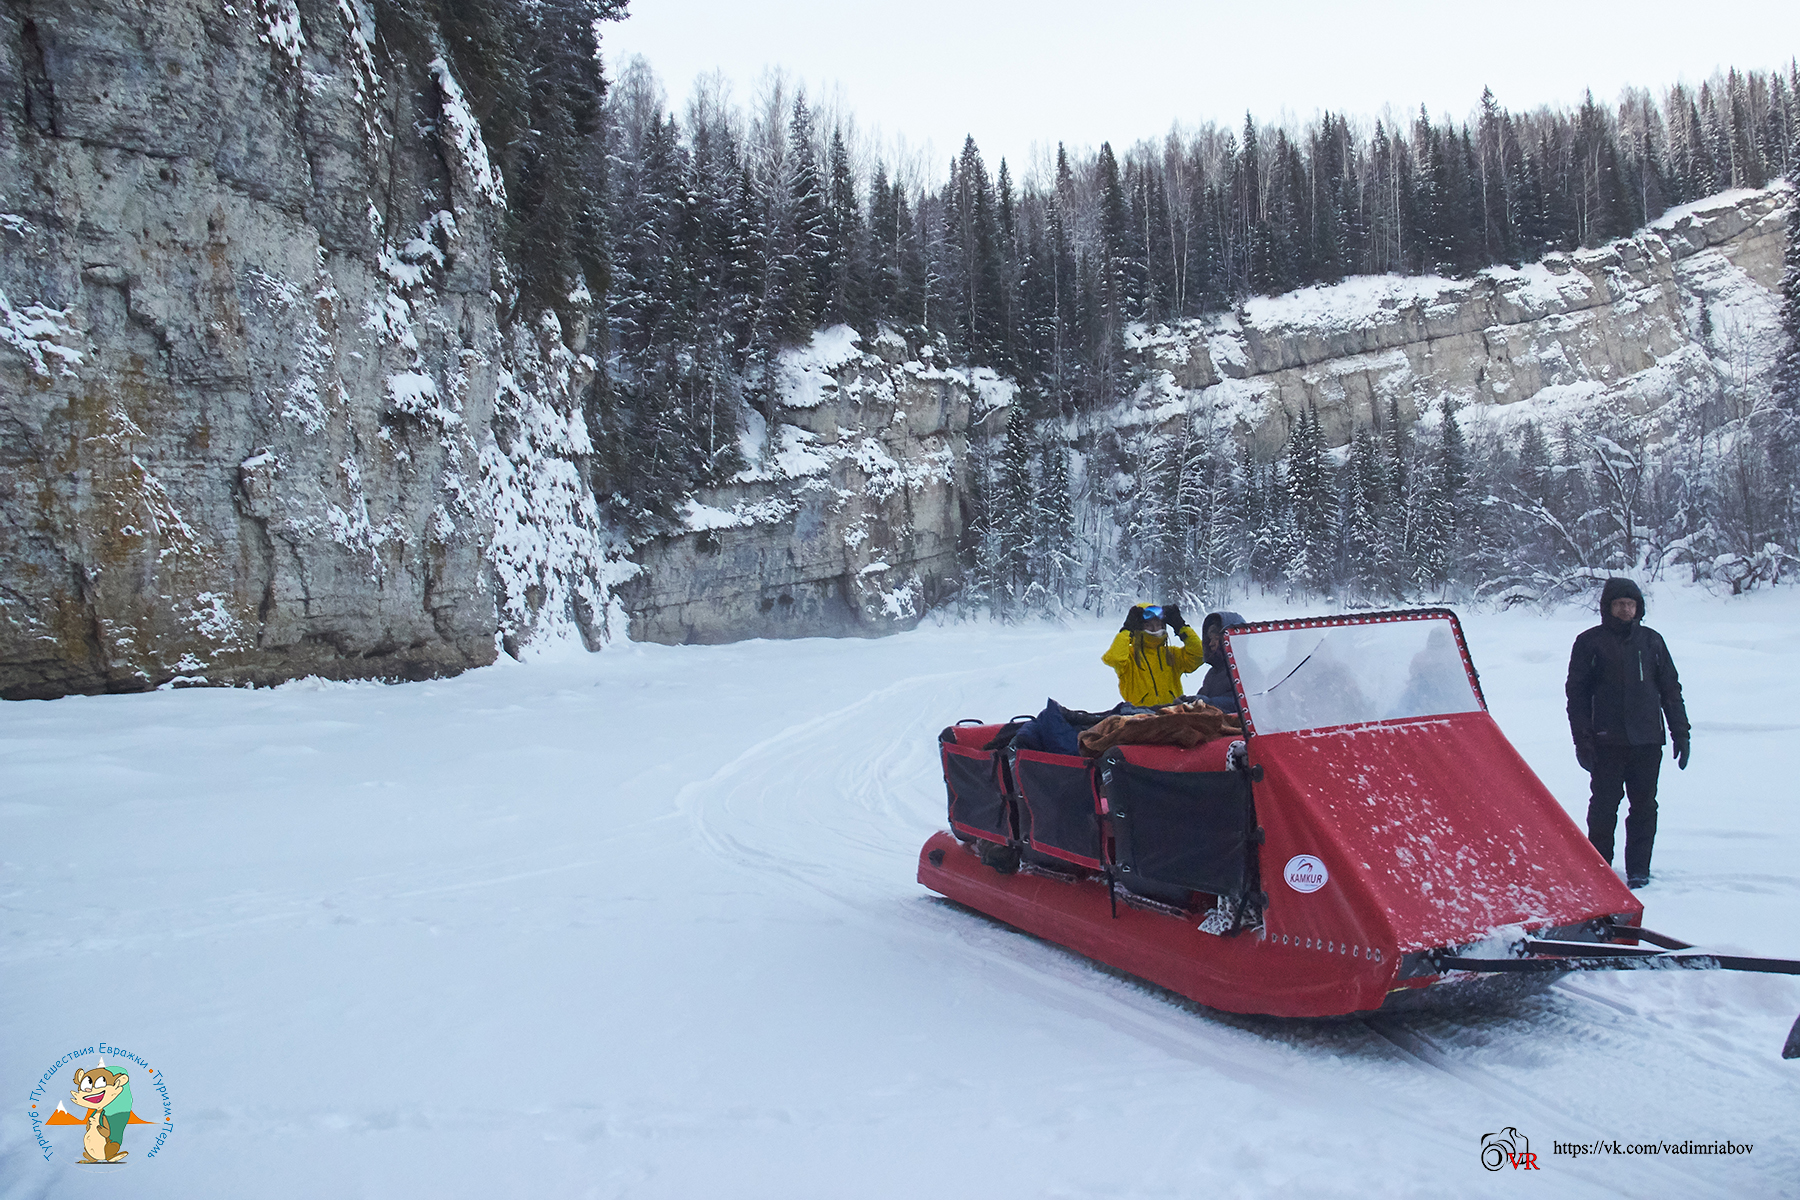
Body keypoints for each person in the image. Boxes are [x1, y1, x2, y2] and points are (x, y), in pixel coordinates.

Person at [1565, 577, 1690, 888]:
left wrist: (1681, 733)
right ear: (1608, 607)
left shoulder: (1652, 642)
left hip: (1647, 740)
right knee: (1605, 807)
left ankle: (1638, 871)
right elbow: (1576, 696)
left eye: (1630, 603)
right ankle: (1599, 870)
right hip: (1607, 741)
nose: (1624, 609)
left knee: (1645, 807)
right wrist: (1582, 739)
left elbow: (1670, 690)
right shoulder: (1589, 642)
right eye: (1618, 603)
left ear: (1638, 608)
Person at [1103, 603, 1204, 707]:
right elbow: (1115, 658)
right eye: (1148, 625)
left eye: (1158, 624)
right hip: (1140, 716)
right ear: (1138, 627)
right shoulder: (1130, 656)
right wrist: (1126, 630)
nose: (1154, 629)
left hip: (1172, 714)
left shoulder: (1171, 654)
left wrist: (1182, 628)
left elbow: (1200, 654)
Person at [1194, 610, 1247, 714]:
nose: (1210, 644)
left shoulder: (1246, 669)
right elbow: (1202, 698)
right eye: (1209, 639)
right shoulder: (1213, 672)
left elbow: (1241, 703)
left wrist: (1208, 703)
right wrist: (1187, 702)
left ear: (1232, 639)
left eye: (1216, 638)